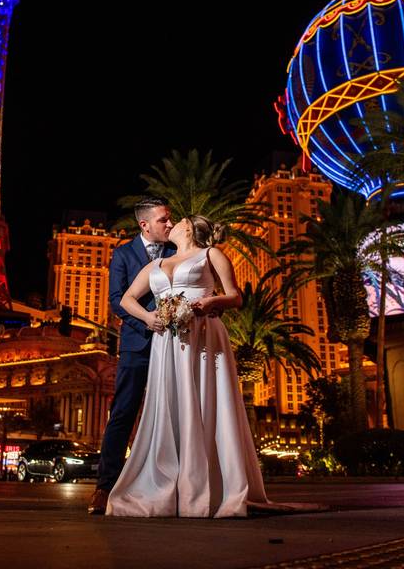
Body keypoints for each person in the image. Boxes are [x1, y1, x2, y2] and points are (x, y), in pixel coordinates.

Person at [106, 214, 269, 518]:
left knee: (204, 401)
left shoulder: (211, 254)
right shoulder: (154, 265)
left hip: (204, 336)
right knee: (169, 405)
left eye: (177, 221)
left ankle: (206, 484)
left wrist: (211, 303)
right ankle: (167, 481)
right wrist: (148, 318)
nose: (170, 225)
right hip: (166, 343)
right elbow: (127, 299)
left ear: (190, 228)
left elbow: (236, 296)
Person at [87, 197, 175, 515]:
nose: (170, 224)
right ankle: (104, 487)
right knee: (123, 412)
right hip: (137, 345)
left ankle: (169, 485)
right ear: (145, 224)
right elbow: (115, 300)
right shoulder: (123, 253)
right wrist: (149, 319)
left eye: (170, 219)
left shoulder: (177, 251)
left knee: (173, 413)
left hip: (174, 345)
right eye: (164, 219)